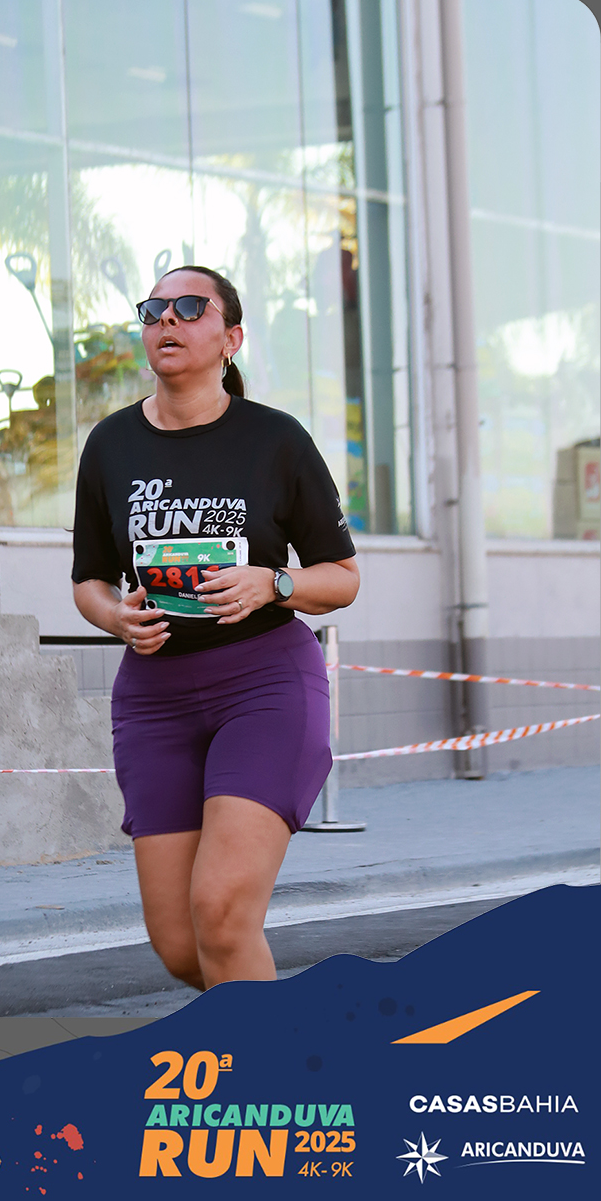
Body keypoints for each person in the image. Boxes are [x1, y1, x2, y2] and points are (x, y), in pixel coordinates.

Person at [72, 265, 360, 991]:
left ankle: (271, 1061)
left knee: (222, 914)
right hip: (155, 699)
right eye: (153, 310)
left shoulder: (275, 440)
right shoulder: (110, 445)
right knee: (180, 945)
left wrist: (276, 582)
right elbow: (89, 580)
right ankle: (287, 1036)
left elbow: (342, 577)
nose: (166, 320)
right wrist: (116, 617)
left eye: (189, 307)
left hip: (263, 684)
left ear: (230, 339)